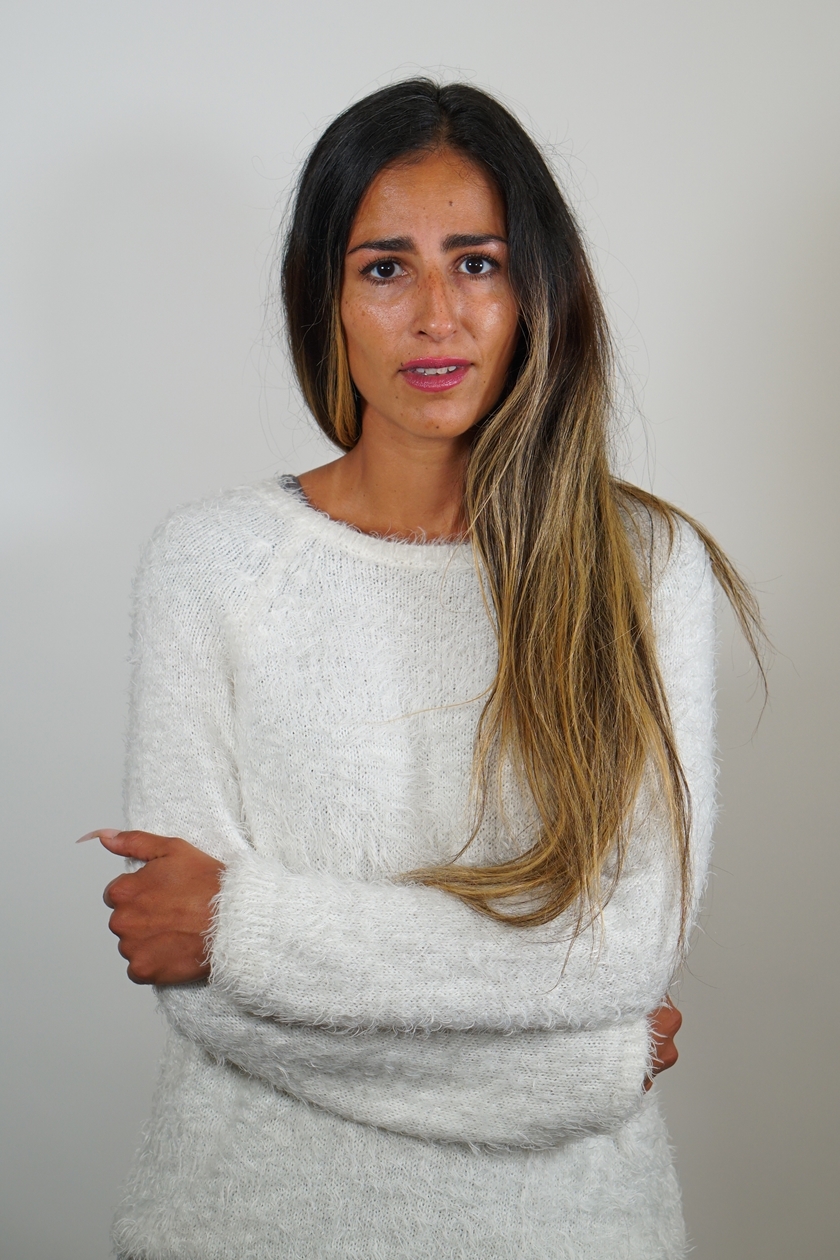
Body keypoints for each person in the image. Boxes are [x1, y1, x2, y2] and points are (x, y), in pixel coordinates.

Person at [85, 79, 761, 1259]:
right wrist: (577, 1071)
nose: (437, 315)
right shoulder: (211, 564)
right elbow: (193, 985)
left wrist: (244, 921)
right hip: (242, 1224)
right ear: (327, 298)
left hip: (567, 1234)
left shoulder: (642, 566)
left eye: (479, 264)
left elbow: (619, 949)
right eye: (386, 268)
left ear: (536, 289)